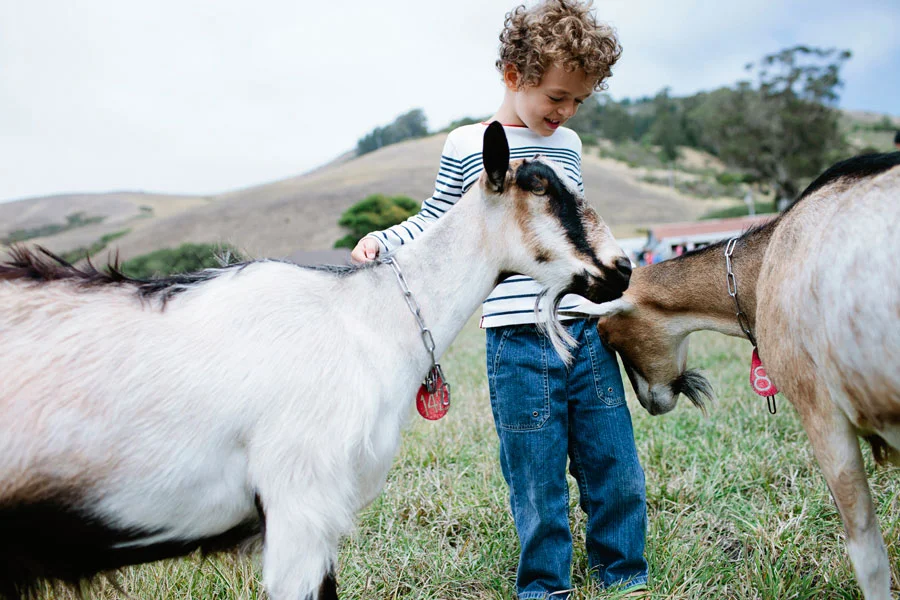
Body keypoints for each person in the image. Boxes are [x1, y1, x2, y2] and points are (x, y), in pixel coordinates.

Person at [351, 2, 648, 598]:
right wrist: (384, 239)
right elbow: (439, 218)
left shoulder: (567, 144)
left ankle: (623, 574)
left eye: (577, 102)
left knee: (614, 462)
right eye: (557, 97)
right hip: (517, 340)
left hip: (581, 328)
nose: (563, 112)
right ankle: (545, 586)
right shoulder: (469, 145)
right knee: (535, 476)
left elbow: (576, 225)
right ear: (513, 74)